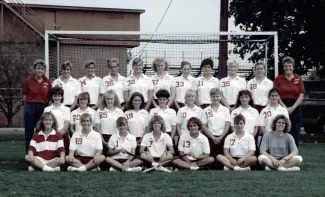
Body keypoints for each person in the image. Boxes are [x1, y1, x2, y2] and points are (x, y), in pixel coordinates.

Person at [274, 56, 305, 146]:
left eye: (290, 66)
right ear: (283, 67)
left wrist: (293, 107)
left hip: (295, 105)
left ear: (293, 67)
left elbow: (301, 94)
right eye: (286, 66)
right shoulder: (278, 79)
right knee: (282, 127)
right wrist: (284, 107)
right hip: (282, 105)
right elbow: (276, 94)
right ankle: (282, 147)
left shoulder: (298, 79)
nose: (288, 68)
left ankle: (294, 149)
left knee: (295, 127)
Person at [23, 59, 52, 152]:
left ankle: (40, 152)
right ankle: (29, 153)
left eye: (42, 69)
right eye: (38, 68)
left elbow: (48, 96)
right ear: (34, 69)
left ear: (44, 70)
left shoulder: (47, 82)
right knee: (29, 132)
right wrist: (27, 107)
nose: (40, 70)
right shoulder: (28, 81)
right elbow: (24, 96)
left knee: (41, 131)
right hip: (30, 106)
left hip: (43, 107)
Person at [201, 88, 231, 158]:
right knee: (211, 159)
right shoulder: (205, 110)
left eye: (217, 96)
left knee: (222, 159)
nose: (215, 98)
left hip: (223, 137)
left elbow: (227, 125)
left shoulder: (225, 110)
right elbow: (204, 126)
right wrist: (213, 137)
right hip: (210, 137)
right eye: (213, 96)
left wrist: (221, 137)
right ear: (210, 97)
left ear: (220, 97)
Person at [43, 86, 70, 153]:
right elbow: (45, 123)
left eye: (58, 96)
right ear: (52, 97)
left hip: (62, 134)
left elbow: (67, 123)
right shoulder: (47, 109)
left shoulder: (66, 109)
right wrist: (52, 133)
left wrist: (62, 131)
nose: (56, 98)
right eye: (55, 96)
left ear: (61, 97)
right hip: (49, 133)